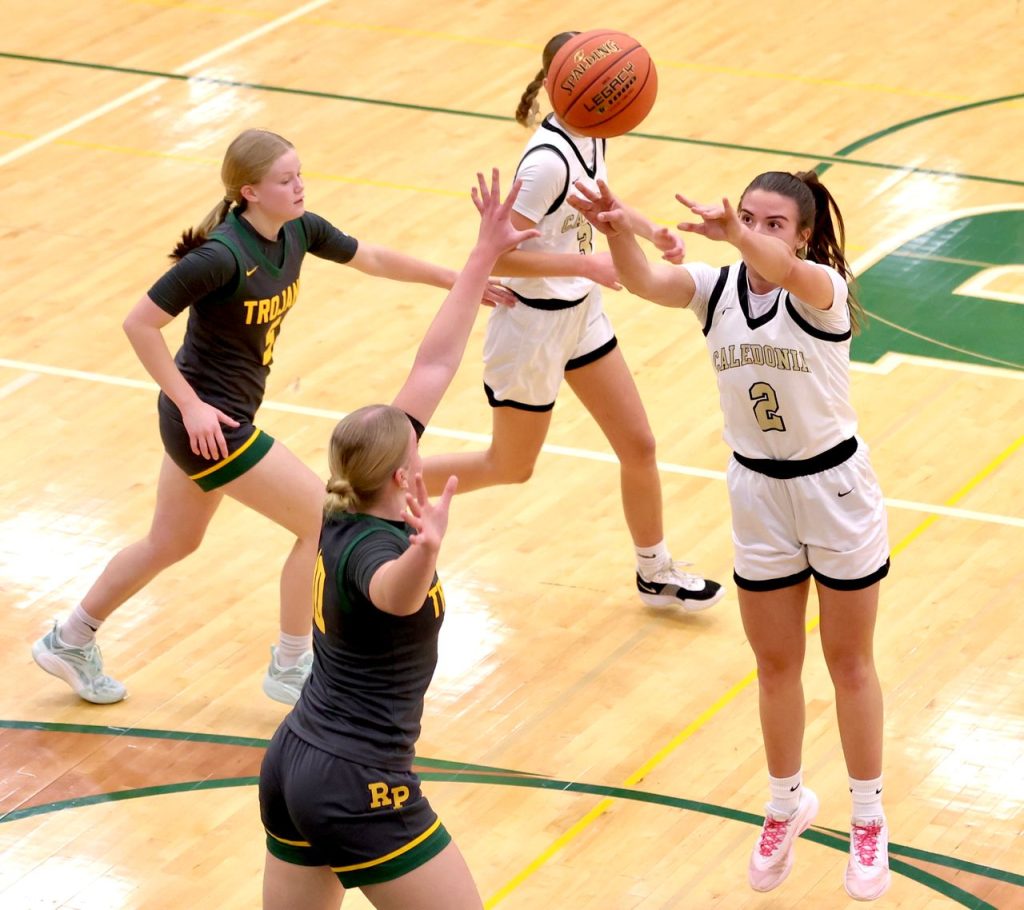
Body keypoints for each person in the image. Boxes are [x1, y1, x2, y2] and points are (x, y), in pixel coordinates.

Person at [31, 128, 510, 707]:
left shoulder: (298, 230)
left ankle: (71, 638)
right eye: (286, 180)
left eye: (300, 173)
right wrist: (192, 406)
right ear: (250, 192)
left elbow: (375, 258)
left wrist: (460, 280)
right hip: (210, 424)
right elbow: (139, 324)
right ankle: (289, 663)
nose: (300, 185)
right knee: (321, 520)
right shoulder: (220, 256)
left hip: (211, 419)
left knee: (170, 540)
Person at [570, 172, 891, 900]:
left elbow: (777, 268)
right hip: (757, 493)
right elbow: (647, 281)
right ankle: (785, 804)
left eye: (773, 222)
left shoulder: (823, 289)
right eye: (748, 216)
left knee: (849, 664)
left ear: (803, 235)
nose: (754, 229)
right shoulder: (718, 290)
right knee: (775, 665)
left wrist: (740, 237)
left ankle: (869, 819)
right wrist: (620, 225)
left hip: (834, 490)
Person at [259, 169, 535, 910]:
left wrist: (482, 254)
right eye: (413, 440)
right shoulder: (379, 552)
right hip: (360, 782)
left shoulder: (341, 503)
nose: (422, 437)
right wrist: (427, 549)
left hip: (294, 761)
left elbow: (434, 363)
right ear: (401, 469)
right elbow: (392, 595)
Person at [420, 33, 723, 612]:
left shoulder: (591, 128)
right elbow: (497, 255)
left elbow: (598, 197)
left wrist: (646, 228)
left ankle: (654, 572)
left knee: (639, 444)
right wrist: (585, 261)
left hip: (580, 316)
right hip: (531, 326)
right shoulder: (544, 163)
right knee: (509, 466)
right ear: (571, 85)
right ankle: (379, 486)